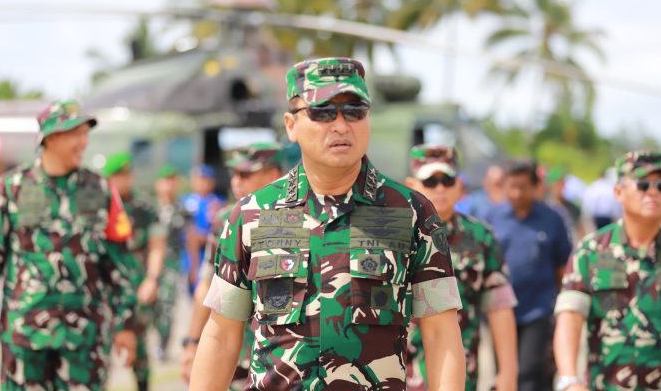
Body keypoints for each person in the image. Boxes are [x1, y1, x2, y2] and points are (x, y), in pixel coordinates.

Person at [190, 57, 465, 390]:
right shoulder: (251, 214)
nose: (341, 125)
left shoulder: (412, 212)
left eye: (354, 111)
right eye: (322, 112)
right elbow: (221, 333)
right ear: (291, 125)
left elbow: (440, 332)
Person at [0, 100, 137, 389]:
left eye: (86, 134)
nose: (84, 142)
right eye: (76, 134)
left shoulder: (99, 189)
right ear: (52, 137)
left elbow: (119, 263)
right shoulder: (10, 188)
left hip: (85, 342)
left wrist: (126, 325)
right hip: (25, 340)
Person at [554, 151, 661, 391]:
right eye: (643, 184)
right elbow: (570, 318)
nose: (653, 192)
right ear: (618, 192)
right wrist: (569, 379)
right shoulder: (592, 251)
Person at [404, 144, 518, 391]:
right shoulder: (392, 235)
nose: (440, 188)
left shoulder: (480, 237)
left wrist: (508, 373)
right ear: (412, 185)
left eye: (447, 180)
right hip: (404, 376)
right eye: (431, 181)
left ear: (460, 186)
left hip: (460, 376)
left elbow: (499, 307)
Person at [180, 142, 284, 386]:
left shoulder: (300, 218)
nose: (236, 181)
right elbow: (207, 287)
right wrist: (192, 342)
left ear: (273, 175)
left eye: (245, 174)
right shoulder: (226, 220)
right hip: (235, 358)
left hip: (281, 363)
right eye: (234, 174)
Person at [484, 158, 572, 391]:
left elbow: (562, 266)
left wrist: (560, 305)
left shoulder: (552, 219)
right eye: (511, 186)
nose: (516, 193)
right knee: (505, 374)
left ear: (535, 186)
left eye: (522, 187)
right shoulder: (492, 218)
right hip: (501, 310)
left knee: (531, 372)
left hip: (538, 309)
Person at [104, 152, 167, 391]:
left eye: (126, 175)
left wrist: (152, 279)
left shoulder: (143, 207)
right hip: (104, 288)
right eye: (117, 176)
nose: (123, 180)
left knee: (139, 346)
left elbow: (157, 246)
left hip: (136, 285)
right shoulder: (98, 205)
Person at [152, 164, 191, 361]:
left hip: (172, 265)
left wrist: (192, 267)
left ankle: (162, 345)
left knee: (167, 305)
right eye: (165, 181)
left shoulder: (182, 210)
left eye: (172, 181)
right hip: (149, 264)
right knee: (151, 306)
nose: (169, 185)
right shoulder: (150, 208)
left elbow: (191, 239)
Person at [183, 164, 225, 294]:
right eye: (199, 179)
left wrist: (205, 237)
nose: (202, 183)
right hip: (186, 258)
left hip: (209, 256)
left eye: (205, 179)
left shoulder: (218, 202)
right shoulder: (185, 202)